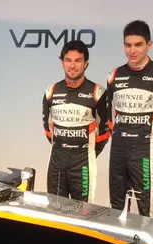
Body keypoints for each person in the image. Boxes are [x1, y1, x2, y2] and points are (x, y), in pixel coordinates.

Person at [106, 20, 153, 218]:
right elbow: (108, 116)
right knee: (116, 209)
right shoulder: (114, 75)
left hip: (145, 151)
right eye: (128, 45)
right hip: (118, 151)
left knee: (147, 211)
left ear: (149, 45)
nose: (132, 51)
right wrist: (118, 137)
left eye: (138, 45)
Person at [42, 40, 110, 203]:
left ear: (86, 63)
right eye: (68, 60)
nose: (72, 66)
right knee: (54, 210)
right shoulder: (51, 92)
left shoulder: (98, 93)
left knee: (83, 212)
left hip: (83, 163)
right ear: (62, 62)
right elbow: (47, 128)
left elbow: (105, 131)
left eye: (78, 60)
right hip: (56, 162)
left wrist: (89, 153)